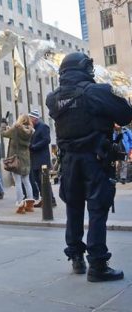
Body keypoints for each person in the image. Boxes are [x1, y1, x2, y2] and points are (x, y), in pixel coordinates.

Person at [46, 52, 132, 282]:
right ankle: (98, 264)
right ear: (84, 68)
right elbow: (125, 115)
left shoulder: (53, 98)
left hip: (69, 161)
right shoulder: (95, 92)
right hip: (94, 158)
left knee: (73, 208)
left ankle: (76, 257)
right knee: (97, 210)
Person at [1, 114, 35, 213]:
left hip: (16, 159)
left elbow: (3, 133)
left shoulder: (16, 129)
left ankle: (20, 204)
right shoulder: (31, 131)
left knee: (18, 182)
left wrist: (3, 124)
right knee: (27, 181)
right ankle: (30, 205)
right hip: (26, 158)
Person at [27, 110, 57, 208]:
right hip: (34, 159)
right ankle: (44, 198)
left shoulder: (43, 126)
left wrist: (34, 146)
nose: (29, 120)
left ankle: (51, 200)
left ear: (35, 118)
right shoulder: (33, 128)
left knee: (44, 180)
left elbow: (46, 140)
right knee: (37, 180)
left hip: (42, 159)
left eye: (30, 118)